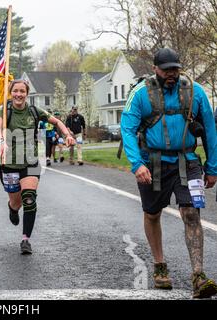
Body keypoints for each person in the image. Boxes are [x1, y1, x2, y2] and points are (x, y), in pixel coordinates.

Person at [121, 47, 217, 299]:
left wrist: (213, 166)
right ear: (155, 70)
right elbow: (127, 128)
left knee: (191, 213)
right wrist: (136, 164)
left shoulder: (195, 92)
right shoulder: (140, 93)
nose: (171, 74)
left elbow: (209, 129)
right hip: (152, 163)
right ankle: (160, 266)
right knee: (152, 214)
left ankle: (198, 276)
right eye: (166, 70)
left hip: (188, 161)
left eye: (175, 68)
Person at [0, 79, 76, 255]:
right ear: (11, 92)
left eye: (22, 91)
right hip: (8, 164)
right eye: (15, 91)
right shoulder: (3, 110)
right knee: (16, 202)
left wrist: (67, 134)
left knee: (29, 198)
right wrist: (0, 142)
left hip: (30, 163)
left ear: (27, 93)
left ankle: (25, 239)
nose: (18, 94)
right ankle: (12, 209)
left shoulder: (34, 111)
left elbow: (57, 122)